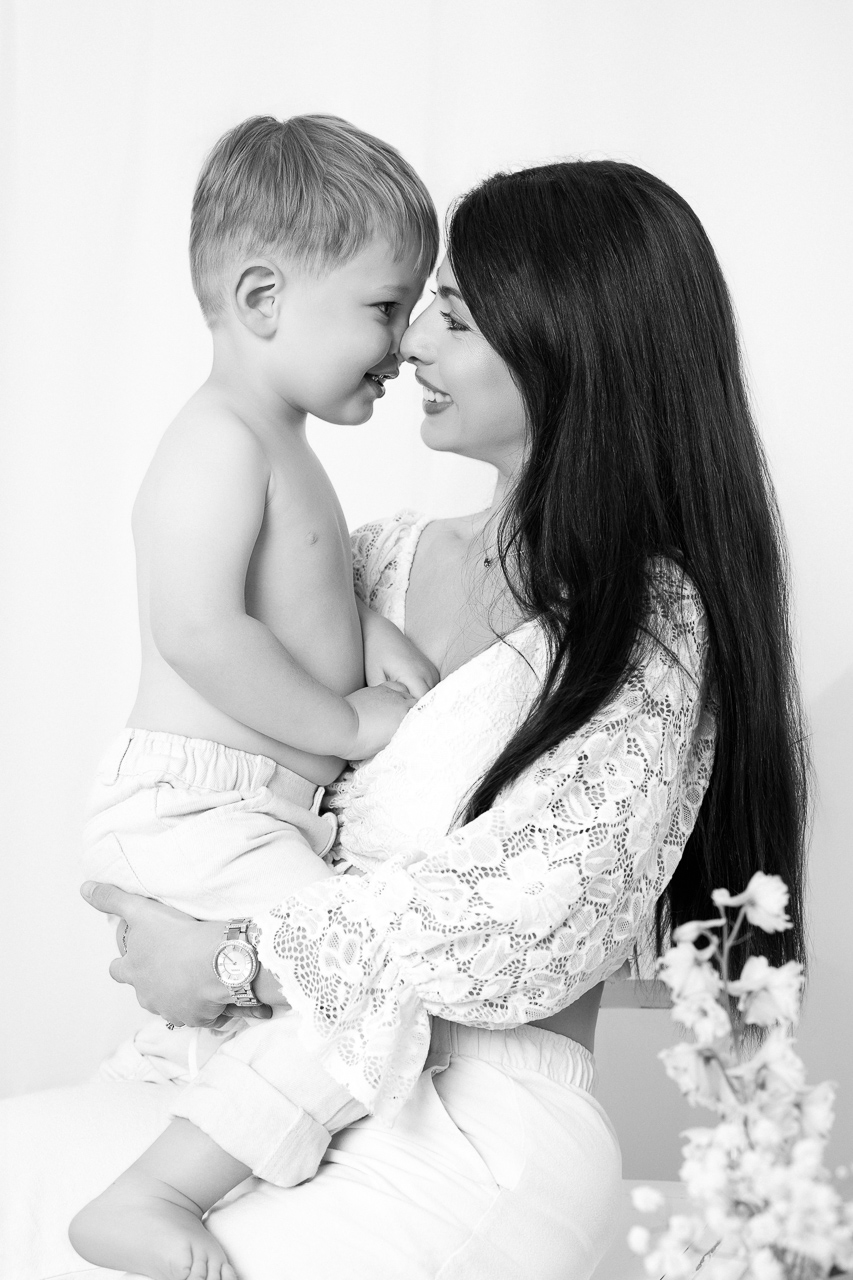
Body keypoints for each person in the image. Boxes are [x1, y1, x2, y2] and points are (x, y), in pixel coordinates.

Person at [0, 158, 807, 1280]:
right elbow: (223, 756)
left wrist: (233, 958)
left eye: (455, 314)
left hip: (469, 1115)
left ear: (573, 347)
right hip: (250, 1086)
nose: (409, 344)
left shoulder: (653, 623)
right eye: (413, 306)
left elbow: (517, 912)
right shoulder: (376, 561)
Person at [69, 113, 441, 1280]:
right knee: (364, 983)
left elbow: (287, 593)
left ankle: (188, 1123)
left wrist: (370, 637)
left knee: (324, 991)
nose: (406, 341)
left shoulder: (277, 443)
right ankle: (143, 1199)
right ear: (266, 297)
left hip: (252, 809)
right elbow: (197, 624)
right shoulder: (218, 439)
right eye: (386, 307)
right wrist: (340, 722)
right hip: (196, 804)